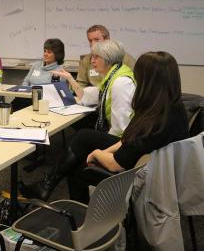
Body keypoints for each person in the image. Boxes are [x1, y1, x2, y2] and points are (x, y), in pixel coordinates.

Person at [22, 51, 188, 203]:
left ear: (147, 81)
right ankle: (47, 184)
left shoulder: (153, 121)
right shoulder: (169, 107)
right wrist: (104, 152)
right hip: (153, 165)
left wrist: (96, 154)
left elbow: (116, 164)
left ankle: (82, 217)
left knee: (78, 168)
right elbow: (129, 139)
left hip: (143, 175)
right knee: (84, 136)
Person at [19, 40, 136, 200]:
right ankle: (71, 202)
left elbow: (122, 127)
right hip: (119, 137)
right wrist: (71, 79)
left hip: (123, 144)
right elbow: (87, 97)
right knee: (75, 165)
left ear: (108, 59)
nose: (91, 61)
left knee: (83, 136)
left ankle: (46, 184)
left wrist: (102, 152)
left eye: (96, 57)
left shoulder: (120, 84)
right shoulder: (113, 77)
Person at [11, 38, 65, 112]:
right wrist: (24, 90)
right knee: (11, 106)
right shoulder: (37, 64)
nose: (45, 54)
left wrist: (34, 94)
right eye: (44, 51)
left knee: (18, 106)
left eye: (49, 52)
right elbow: (26, 80)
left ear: (57, 55)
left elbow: (54, 92)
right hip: (27, 96)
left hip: (42, 101)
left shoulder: (59, 71)